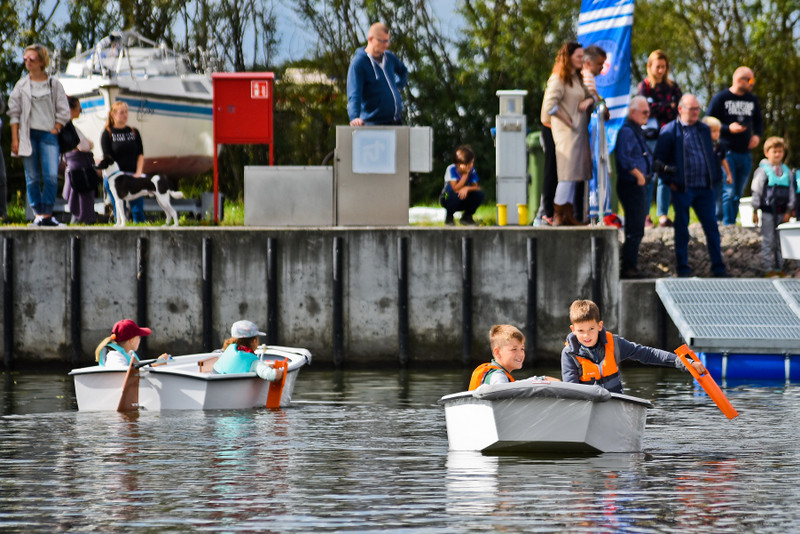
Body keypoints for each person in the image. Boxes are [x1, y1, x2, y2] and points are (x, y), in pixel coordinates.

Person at [561, 299, 705, 393]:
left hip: (614, 403)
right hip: (585, 407)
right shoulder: (569, 354)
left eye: (591, 329)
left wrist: (685, 363)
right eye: (581, 331)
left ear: (600, 326)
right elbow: (571, 390)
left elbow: (648, 354)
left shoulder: (615, 343)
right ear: (573, 330)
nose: (587, 336)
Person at [653, 94, 727, 277]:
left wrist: (715, 178)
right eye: (692, 109)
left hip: (705, 188)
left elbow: (712, 154)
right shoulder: (669, 131)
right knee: (682, 229)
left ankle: (719, 269)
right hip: (682, 189)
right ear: (680, 109)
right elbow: (658, 162)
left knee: (712, 229)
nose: (695, 113)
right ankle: (683, 269)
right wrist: (671, 182)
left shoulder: (703, 129)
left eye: (697, 109)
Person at [7, 44, 70, 227]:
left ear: (41, 61)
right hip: (28, 135)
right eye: (25, 59)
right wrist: (15, 139)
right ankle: (38, 215)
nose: (27, 62)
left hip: (49, 135)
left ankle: (47, 214)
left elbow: (63, 109)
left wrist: (56, 127)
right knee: (32, 177)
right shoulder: (21, 85)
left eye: (31, 59)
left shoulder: (54, 84)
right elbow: (14, 113)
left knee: (50, 176)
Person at [541, 41, 594, 226]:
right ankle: (558, 214)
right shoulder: (558, 79)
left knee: (574, 176)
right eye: (578, 56)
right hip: (566, 134)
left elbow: (591, 94)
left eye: (582, 56)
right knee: (565, 175)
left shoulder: (576, 78)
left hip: (579, 134)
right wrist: (567, 119)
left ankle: (568, 215)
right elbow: (549, 106)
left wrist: (589, 101)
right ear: (568, 57)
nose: (582, 60)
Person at [707, 66, 763, 226]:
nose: (752, 83)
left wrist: (757, 136)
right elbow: (708, 121)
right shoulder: (721, 98)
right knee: (728, 191)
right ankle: (725, 223)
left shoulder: (752, 99)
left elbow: (759, 121)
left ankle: (729, 222)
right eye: (750, 79)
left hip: (745, 152)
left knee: (737, 192)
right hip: (726, 151)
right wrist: (727, 128)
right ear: (739, 79)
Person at [638, 50, 682, 228]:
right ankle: (645, 215)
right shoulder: (645, 86)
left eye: (664, 67)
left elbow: (678, 108)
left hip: (670, 136)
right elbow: (645, 109)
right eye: (658, 67)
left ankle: (663, 214)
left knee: (666, 175)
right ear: (650, 67)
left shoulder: (673, 86)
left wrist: (660, 106)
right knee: (650, 175)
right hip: (650, 138)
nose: (661, 70)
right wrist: (666, 106)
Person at [615, 96, 653, 279]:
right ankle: (629, 267)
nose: (648, 115)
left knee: (637, 227)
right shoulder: (628, 132)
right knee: (635, 227)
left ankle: (631, 265)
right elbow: (624, 158)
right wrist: (639, 176)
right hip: (631, 186)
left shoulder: (636, 131)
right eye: (644, 112)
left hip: (637, 185)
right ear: (633, 112)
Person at [346, 22, 408, 126]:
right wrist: (354, 117)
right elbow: (354, 94)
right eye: (382, 41)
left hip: (396, 122)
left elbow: (403, 71)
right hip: (374, 125)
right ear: (370, 39)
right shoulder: (358, 63)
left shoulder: (389, 57)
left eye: (387, 41)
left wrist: (398, 87)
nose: (386, 45)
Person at [751, 137, 796, 277]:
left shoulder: (787, 172)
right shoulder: (762, 171)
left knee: (780, 241)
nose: (777, 154)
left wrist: (789, 210)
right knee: (768, 240)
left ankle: (779, 268)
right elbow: (756, 191)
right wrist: (755, 210)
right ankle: (767, 268)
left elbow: (792, 193)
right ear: (767, 153)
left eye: (780, 151)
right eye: (774, 151)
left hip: (782, 213)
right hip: (767, 212)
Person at [101, 101, 145, 223]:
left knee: (137, 209)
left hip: (133, 175)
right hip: (117, 177)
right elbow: (108, 157)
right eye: (121, 113)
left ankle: (141, 231)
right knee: (119, 208)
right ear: (113, 115)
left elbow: (140, 154)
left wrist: (139, 173)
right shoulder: (108, 133)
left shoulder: (133, 131)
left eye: (126, 112)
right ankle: (120, 228)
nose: (125, 115)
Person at [62, 96, 97, 224]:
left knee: (81, 199)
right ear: (71, 110)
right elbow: (83, 146)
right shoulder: (67, 127)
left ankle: (80, 222)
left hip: (79, 167)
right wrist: (88, 144)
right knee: (81, 200)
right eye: (79, 108)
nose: (81, 111)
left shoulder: (70, 126)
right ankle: (80, 224)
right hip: (78, 169)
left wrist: (86, 144)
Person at [213, 320, 284, 381]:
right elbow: (272, 375)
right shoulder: (253, 361)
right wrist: (279, 373)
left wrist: (266, 366)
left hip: (214, 379)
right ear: (254, 341)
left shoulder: (229, 349)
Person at [94, 319, 169, 369]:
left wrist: (157, 362)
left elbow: (135, 369)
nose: (140, 339)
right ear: (132, 340)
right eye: (139, 337)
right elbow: (123, 375)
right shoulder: (114, 356)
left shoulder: (129, 353)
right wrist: (154, 365)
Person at [468, 325, 526, 389]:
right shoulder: (498, 375)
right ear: (497, 353)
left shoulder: (494, 373)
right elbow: (502, 393)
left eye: (522, 349)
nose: (520, 354)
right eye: (514, 349)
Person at [439, 145, 484, 225]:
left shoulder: (472, 170)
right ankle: (449, 216)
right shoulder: (451, 169)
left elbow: (476, 187)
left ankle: (467, 217)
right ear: (460, 163)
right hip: (446, 197)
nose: (471, 165)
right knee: (449, 193)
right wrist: (465, 175)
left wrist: (466, 188)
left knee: (479, 194)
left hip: (462, 197)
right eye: (469, 163)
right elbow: (455, 188)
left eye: (472, 162)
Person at [701, 116, 733, 222]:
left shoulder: (720, 146)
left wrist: (728, 175)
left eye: (718, 131)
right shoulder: (702, 146)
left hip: (718, 178)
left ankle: (718, 220)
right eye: (713, 131)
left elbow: (723, 160)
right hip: (704, 179)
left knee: (719, 199)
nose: (717, 134)